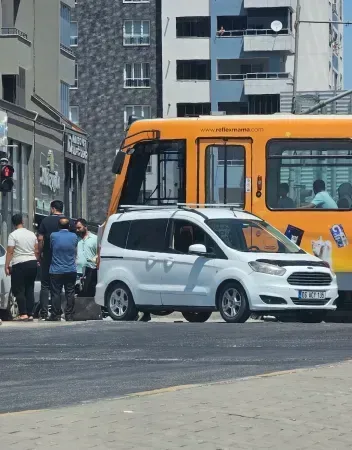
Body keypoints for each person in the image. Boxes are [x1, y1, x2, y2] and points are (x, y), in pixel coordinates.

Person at [37, 200, 75, 320]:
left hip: (48, 256)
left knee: (46, 285)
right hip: (67, 260)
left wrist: (40, 253)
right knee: (69, 289)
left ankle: (45, 312)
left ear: (53, 208)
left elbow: (40, 239)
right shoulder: (69, 221)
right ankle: (68, 314)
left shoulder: (45, 220)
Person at [5, 214, 39, 321]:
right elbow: (36, 250)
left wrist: (7, 265)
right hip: (32, 263)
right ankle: (30, 313)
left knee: (19, 289)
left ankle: (23, 313)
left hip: (19, 263)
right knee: (30, 288)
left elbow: (10, 251)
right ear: (22, 222)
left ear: (13, 224)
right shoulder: (32, 234)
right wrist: (36, 259)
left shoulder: (13, 235)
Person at [48, 217, 78, 321]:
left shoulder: (53, 236)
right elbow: (75, 249)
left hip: (56, 269)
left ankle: (56, 314)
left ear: (58, 226)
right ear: (69, 226)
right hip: (70, 269)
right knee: (70, 292)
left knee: (56, 293)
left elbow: (51, 248)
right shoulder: (74, 236)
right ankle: (69, 315)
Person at [76, 218, 98, 297]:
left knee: (88, 295)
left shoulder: (95, 239)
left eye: (79, 228)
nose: (77, 230)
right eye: (76, 228)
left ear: (85, 226)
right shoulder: (76, 239)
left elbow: (99, 253)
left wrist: (94, 259)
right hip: (77, 272)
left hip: (91, 271)